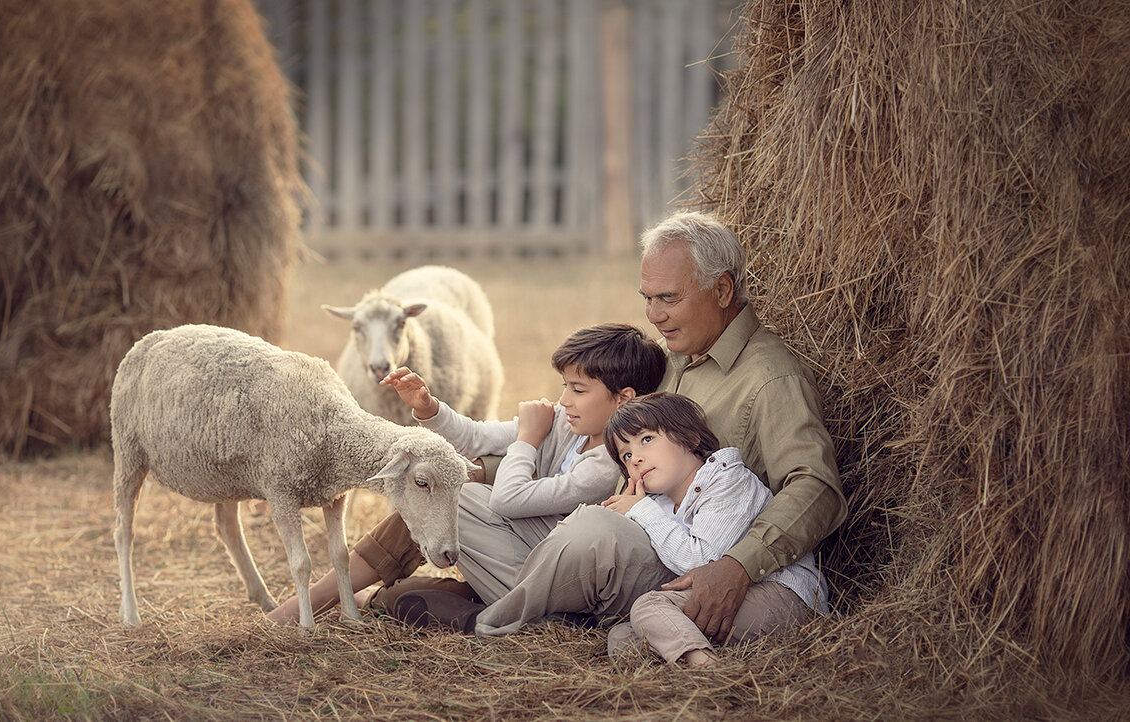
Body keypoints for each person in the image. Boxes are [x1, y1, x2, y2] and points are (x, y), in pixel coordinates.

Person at [390, 210, 845, 642]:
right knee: (460, 495)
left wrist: (736, 566)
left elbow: (816, 488)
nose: (653, 314)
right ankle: (551, 612)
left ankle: (488, 620)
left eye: (668, 298)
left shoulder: (770, 377)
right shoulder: (672, 359)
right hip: (618, 525)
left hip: (680, 554)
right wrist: (484, 462)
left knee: (591, 530)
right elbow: (579, 422)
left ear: (723, 290)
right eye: (647, 298)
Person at [266, 323, 666, 624]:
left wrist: (527, 439)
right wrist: (428, 408)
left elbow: (508, 499)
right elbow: (476, 436)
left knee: (452, 495)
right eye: (564, 386)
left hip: (542, 582)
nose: (563, 399)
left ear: (622, 399)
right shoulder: (564, 423)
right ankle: (381, 598)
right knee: (396, 595)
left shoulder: (607, 465)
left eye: (578, 390)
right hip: (511, 555)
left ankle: (500, 615)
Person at [598, 392, 827, 666]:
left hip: (782, 595)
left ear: (690, 438)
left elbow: (700, 561)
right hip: (720, 603)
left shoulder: (728, 481)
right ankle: (693, 674)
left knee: (649, 606)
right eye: (626, 455)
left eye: (646, 439)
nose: (635, 458)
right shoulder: (657, 506)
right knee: (623, 638)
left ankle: (710, 672)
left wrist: (640, 511)